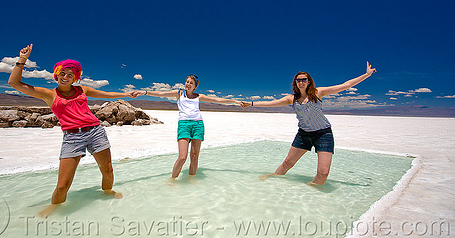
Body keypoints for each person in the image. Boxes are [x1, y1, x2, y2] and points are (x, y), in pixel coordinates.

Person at [8, 44, 137, 216]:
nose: (66, 77)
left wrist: (127, 94)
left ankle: (107, 193)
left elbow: (104, 94)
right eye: (62, 73)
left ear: (75, 77)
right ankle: (54, 208)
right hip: (72, 137)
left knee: (108, 170)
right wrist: (22, 60)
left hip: (95, 131)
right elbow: (14, 83)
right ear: (57, 75)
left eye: (70, 74)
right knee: (63, 185)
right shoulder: (49, 94)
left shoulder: (82, 90)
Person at [241, 62, 377, 186]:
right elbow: (271, 103)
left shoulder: (318, 93)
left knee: (323, 173)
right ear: (295, 82)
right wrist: (251, 104)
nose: (301, 82)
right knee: (287, 162)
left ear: (308, 81)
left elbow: (345, 85)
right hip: (304, 134)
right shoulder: (292, 98)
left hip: (323, 134)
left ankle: (311, 192)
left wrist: (366, 74)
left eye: (303, 80)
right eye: (298, 80)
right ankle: (273, 179)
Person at [134, 75, 241, 181]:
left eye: (191, 83)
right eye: (187, 82)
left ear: (195, 86)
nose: (188, 84)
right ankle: (172, 180)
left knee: (194, 157)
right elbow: (161, 94)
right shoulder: (179, 93)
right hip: (184, 125)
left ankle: (191, 180)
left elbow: (217, 100)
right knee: (182, 157)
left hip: (198, 125)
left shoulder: (199, 96)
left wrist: (234, 101)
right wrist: (146, 92)